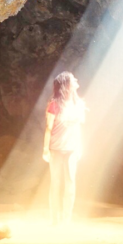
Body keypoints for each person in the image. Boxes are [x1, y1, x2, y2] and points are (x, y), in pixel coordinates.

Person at [43, 71, 86, 225]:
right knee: (56, 182)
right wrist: (45, 149)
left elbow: (78, 128)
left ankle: (66, 219)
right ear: (66, 84)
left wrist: (80, 147)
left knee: (70, 182)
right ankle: (55, 220)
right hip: (55, 148)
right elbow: (48, 127)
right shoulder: (54, 104)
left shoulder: (79, 104)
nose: (76, 80)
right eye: (72, 79)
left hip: (72, 148)